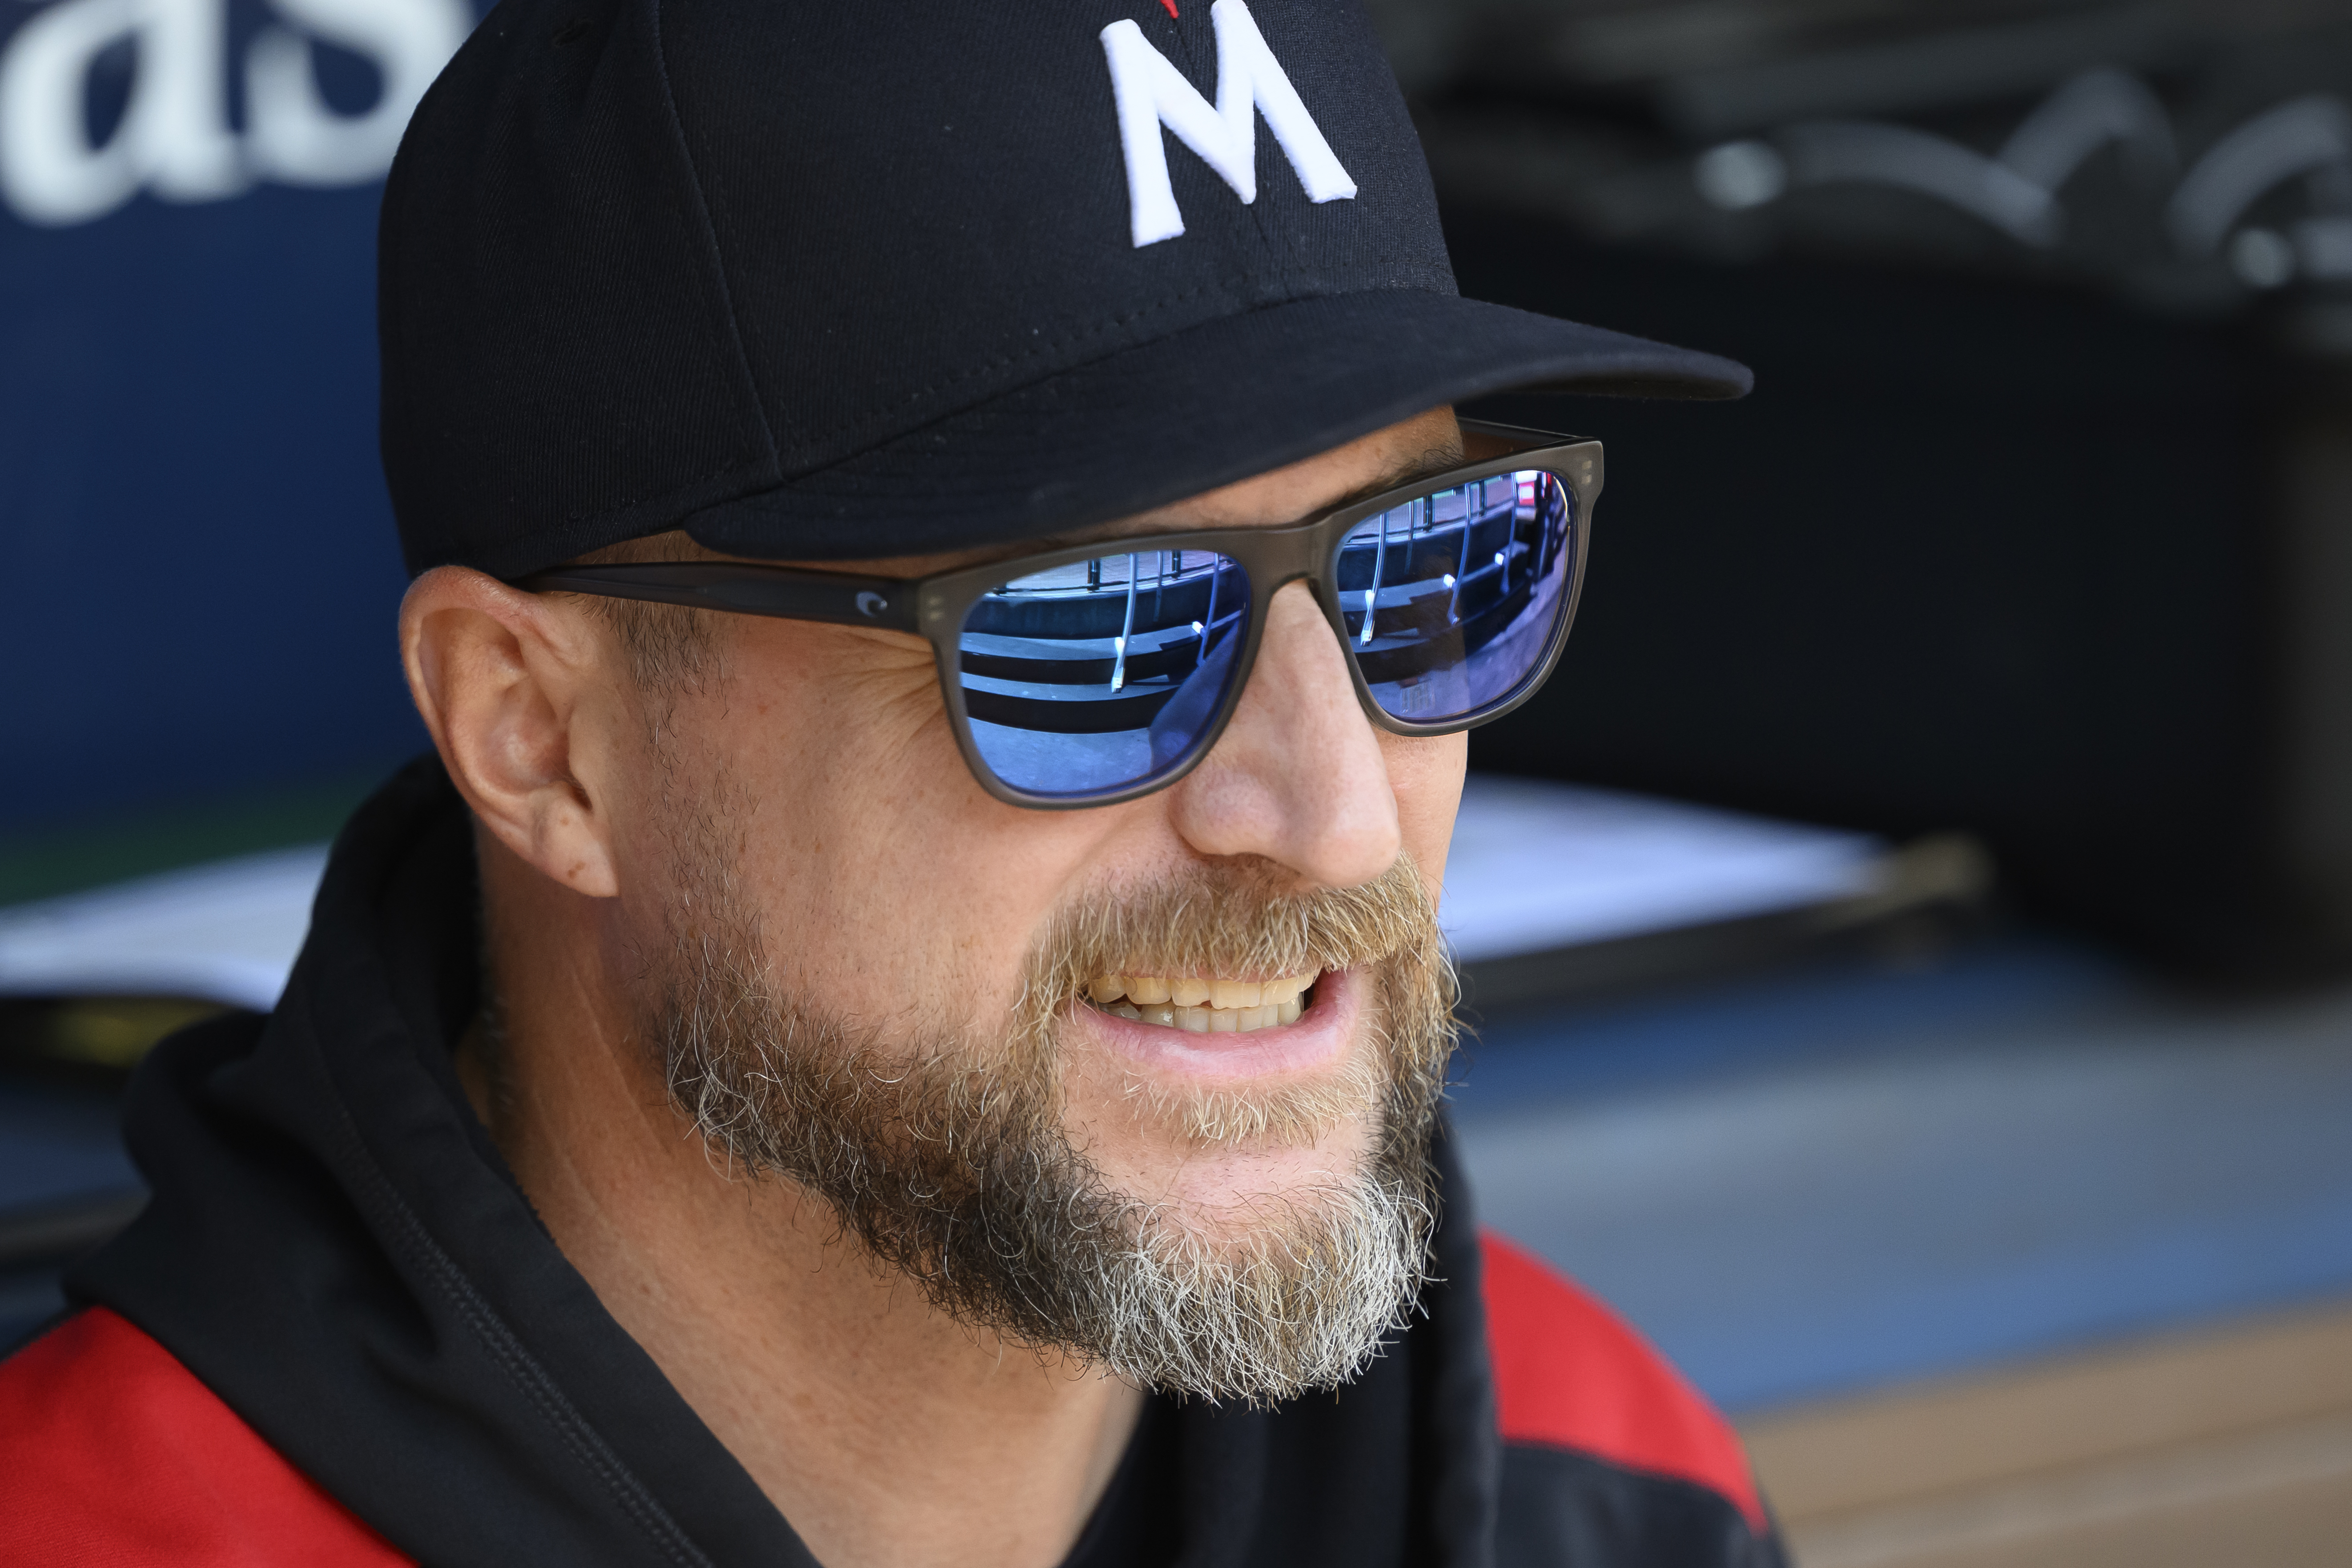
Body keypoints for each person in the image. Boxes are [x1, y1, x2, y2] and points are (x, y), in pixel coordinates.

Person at [0, 1, 1778, 1563]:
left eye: (1428, 566)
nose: (1334, 817)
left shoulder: (1602, 1489)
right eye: (1093, 627)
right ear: (538, 738)